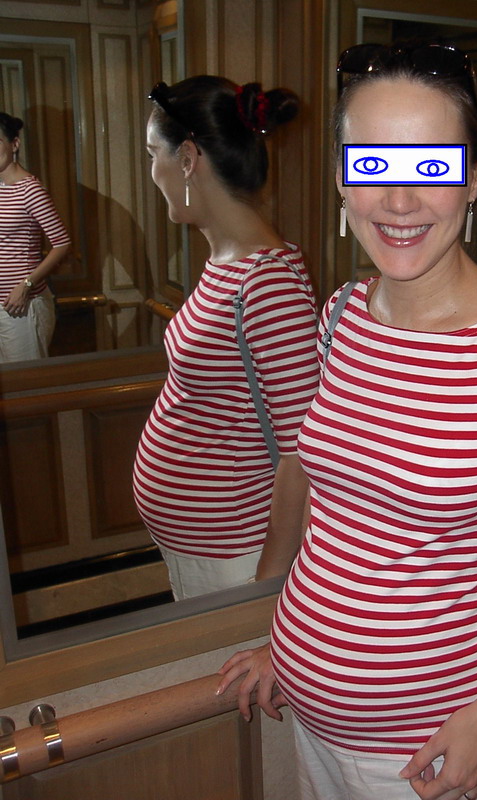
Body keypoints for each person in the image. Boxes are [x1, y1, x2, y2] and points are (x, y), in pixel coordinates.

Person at [217, 42, 477, 800]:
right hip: (314, 726)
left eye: (431, 166)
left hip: (433, 748)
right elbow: (344, 522)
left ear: (476, 175)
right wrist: (290, 649)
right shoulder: (340, 316)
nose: (398, 201)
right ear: (341, 177)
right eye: (371, 165)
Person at [133, 77, 319, 598]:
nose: (152, 171)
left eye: (153, 154)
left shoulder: (269, 284)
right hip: (205, 545)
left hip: (236, 556)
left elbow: (300, 453)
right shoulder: (228, 262)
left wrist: (267, 584)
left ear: (187, 157)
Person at [0, 112, 70, 362]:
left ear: (14, 144)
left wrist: (26, 285)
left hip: (21, 306)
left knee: (27, 380)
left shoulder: (30, 190)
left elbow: (62, 244)